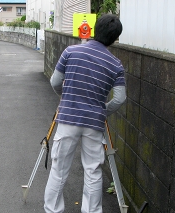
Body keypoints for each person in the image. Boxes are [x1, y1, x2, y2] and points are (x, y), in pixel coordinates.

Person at [44, 14, 126, 213]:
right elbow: (120, 98)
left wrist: (67, 98)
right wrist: (101, 110)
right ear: (115, 39)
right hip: (94, 123)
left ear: (94, 29)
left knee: (59, 168)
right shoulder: (116, 65)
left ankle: (52, 210)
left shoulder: (70, 51)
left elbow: (55, 82)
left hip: (68, 118)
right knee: (93, 171)